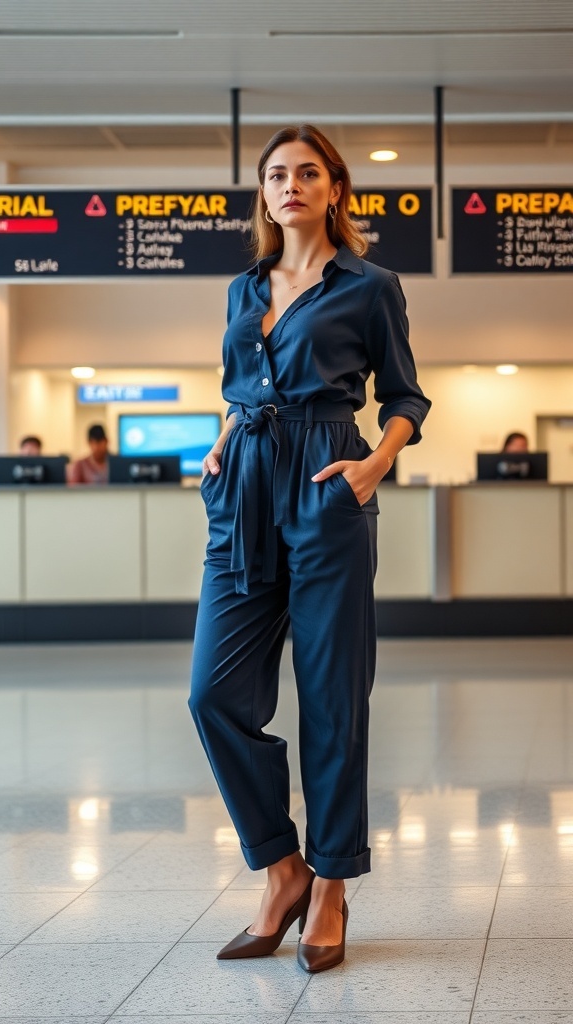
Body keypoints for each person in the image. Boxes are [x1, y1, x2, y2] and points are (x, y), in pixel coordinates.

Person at [189, 124, 431, 973]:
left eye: (307, 172)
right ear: (263, 193)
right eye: (276, 174)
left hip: (327, 486)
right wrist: (222, 442)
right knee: (212, 695)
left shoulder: (370, 286)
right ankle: (282, 868)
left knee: (332, 700)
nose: (290, 184)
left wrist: (374, 464)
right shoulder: (242, 288)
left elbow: (405, 396)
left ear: (334, 189)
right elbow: (241, 390)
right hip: (243, 489)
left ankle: (330, 884)